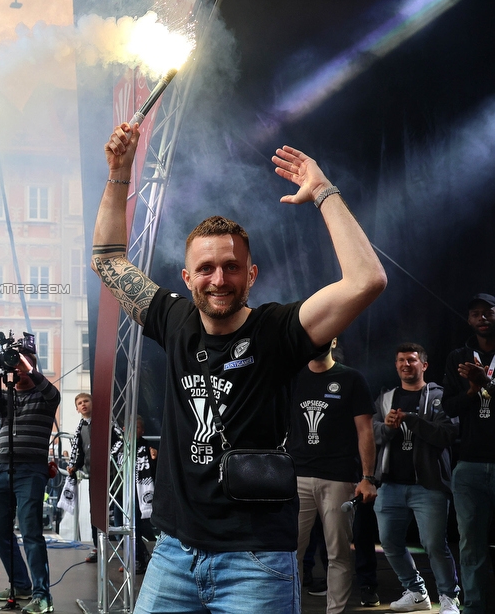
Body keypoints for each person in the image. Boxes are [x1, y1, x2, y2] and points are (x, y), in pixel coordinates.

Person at [93, 125, 386, 613]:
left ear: (251, 274)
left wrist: (323, 193)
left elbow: (367, 279)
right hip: (173, 553)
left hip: (256, 559)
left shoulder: (279, 330)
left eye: (231, 267)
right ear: (187, 278)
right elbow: (107, 260)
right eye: (205, 269)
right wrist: (119, 174)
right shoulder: (173, 317)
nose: (219, 279)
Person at [288, 338, 377, 614]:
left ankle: (335, 612)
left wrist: (368, 477)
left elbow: (365, 431)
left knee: (338, 553)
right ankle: (288, 609)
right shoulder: (292, 377)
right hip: (297, 477)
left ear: (334, 340)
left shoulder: (350, 378)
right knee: (289, 554)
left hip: (338, 478)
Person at [372, 343, 459, 614]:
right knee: (389, 542)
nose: (405, 365)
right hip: (390, 484)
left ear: (424, 365)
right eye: (400, 360)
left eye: (411, 360)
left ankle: (448, 597)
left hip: (429, 485)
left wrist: (413, 420)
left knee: (434, 544)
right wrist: (385, 427)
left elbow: (448, 434)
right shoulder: (385, 398)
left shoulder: (441, 396)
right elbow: (371, 434)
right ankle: (415, 592)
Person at [0, 337, 60, 614]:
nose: (16, 373)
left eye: (21, 368)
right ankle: (20, 584)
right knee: (1, 533)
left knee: (31, 533)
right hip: (1, 469)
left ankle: (42, 595)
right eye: (14, 369)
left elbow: (53, 394)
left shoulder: (45, 396)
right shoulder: (7, 397)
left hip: (31, 470)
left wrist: (27, 366)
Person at [441, 293, 495, 614]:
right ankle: (475, 608)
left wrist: (485, 379)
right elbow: (448, 407)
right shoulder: (458, 356)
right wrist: (473, 391)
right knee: (470, 544)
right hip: (470, 463)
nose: (481, 318)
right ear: (469, 320)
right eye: (475, 313)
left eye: (487, 312)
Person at [68, 392, 97, 563]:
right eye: (79, 403)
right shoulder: (80, 428)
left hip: (113, 475)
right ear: (77, 408)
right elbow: (79, 453)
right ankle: (97, 547)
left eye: (86, 401)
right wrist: (74, 466)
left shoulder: (104, 423)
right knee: (95, 513)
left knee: (115, 515)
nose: (83, 404)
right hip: (93, 475)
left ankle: (134, 553)